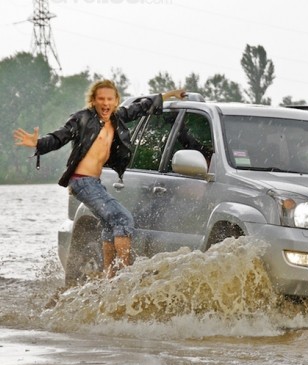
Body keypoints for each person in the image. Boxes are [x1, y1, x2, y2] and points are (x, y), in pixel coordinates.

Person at [13, 79, 186, 279]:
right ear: (93, 101)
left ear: (115, 101)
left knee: (109, 223)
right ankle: (124, 272)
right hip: (81, 180)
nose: (105, 103)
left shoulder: (117, 117)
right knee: (123, 218)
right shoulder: (82, 119)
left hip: (94, 182)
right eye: (101, 99)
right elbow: (60, 136)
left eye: (109, 99)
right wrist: (38, 143)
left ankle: (109, 272)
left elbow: (142, 107)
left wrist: (171, 94)